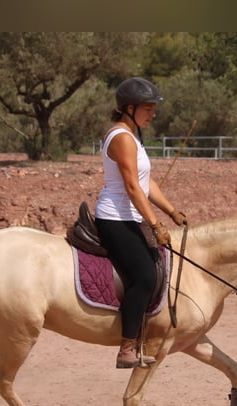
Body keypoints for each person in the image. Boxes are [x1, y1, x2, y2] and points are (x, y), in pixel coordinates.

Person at [95, 77, 188, 368]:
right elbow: (133, 188)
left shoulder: (133, 136)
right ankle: (126, 348)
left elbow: (147, 184)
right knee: (146, 276)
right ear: (130, 108)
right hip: (115, 218)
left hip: (131, 216)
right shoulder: (121, 137)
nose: (154, 113)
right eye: (148, 108)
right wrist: (156, 225)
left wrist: (172, 212)